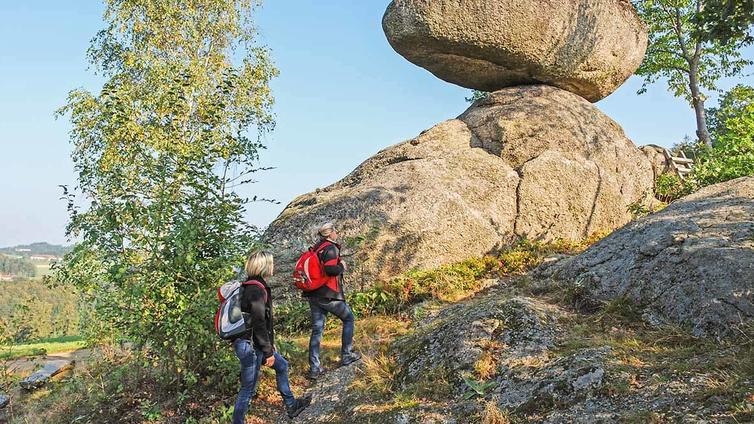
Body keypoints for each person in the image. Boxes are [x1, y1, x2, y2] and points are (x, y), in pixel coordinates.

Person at [232, 251, 311, 423]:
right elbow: (259, 323)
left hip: (249, 343)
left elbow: (259, 322)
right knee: (248, 390)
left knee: (282, 365)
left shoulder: (247, 286)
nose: (273, 266)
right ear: (264, 265)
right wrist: (267, 351)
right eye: (271, 263)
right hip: (252, 346)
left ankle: (291, 405)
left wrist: (270, 345)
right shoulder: (256, 290)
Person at [305, 222, 361, 381]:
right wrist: (342, 266)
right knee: (348, 318)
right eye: (335, 231)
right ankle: (347, 355)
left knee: (317, 330)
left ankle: (314, 369)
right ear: (329, 234)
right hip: (328, 294)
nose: (337, 233)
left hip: (313, 294)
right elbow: (330, 269)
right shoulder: (330, 248)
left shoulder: (316, 247)